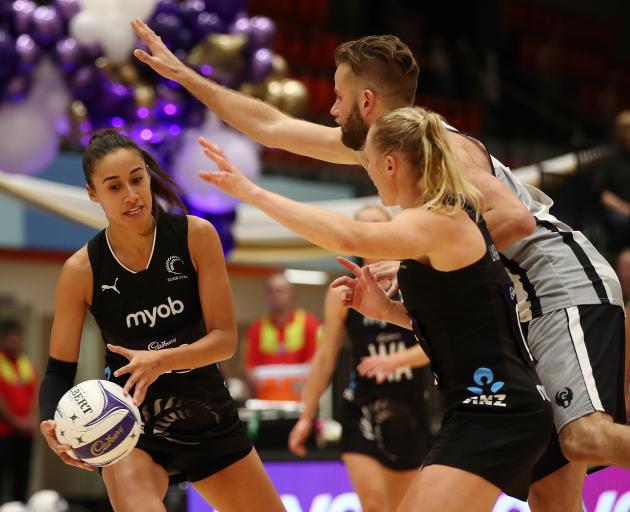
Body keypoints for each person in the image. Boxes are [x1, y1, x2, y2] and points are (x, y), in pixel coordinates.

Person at [132, 23, 628, 511]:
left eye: (338, 96)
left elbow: (514, 219)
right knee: (553, 496)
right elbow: (273, 127)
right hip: (513, 313)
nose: (331, 108)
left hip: (558, 281)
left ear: (366, 102)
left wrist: (422, 254)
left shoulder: (445, 151)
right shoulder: (387, 151)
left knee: (587, 437)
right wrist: (184, 75)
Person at [197, 106, 554, 510]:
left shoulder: (438, 220)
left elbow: (348, 234)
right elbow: (456, 326)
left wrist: (252, 192)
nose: (365, 171)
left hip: (497, 406)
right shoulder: (446, 217)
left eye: (367, 162)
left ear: (390, 163)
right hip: (478, 408)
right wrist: (387, 312)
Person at [37, 130, 285, 512]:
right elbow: (58, 370)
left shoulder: (196, 236)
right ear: (93, 194)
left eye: (137, 179)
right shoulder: (81, 270)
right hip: (129, 430)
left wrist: (162, 361)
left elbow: (224, 339)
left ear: (149, 176)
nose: (131, 195)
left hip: (208, 418)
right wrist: (50, 422)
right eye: (114, 186)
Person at [288, 205, 430, 512]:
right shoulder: (343, 290)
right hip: (361, 407)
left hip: (409, 411)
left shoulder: (414, 281)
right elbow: (325, 357)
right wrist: (305, 415)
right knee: (375, 505)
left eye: (376, 227)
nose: (369, 235)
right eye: (362, 227)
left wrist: (395, 361)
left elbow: (437, 345)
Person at [245, 273, 320, 400]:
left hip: (300, 401)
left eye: (279, 291)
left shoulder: (309, 323)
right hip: (266, 403)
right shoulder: (256, 328)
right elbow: (249, 369)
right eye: (270, 291)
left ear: (291, 294)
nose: (275, 295)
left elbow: (315, 365)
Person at [0, 320, 37, 504]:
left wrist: (31, 420)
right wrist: (15, 421)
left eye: (18, 337)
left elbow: (33, 397)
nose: (14, 341)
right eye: (10, 337)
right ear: (4, 339)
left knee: (22, 478)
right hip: (3, 433)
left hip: (25, 433)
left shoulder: (27, 365)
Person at [595, 110, 630, 253]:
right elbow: (601, 193)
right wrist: (625, 209)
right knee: (622, 224)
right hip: (617, 210)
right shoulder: (610, 158)